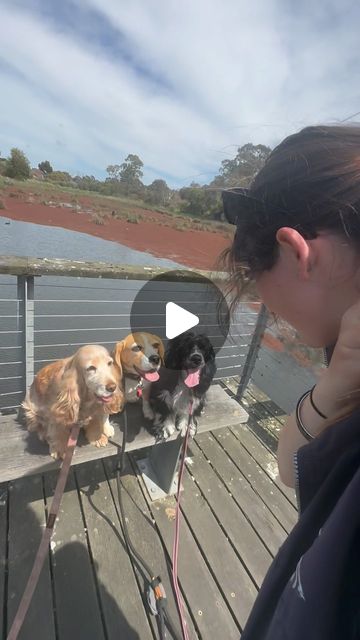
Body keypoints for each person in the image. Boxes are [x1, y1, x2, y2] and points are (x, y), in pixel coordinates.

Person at [220, 125, 360, 640]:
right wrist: (338, 380)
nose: (272, 315)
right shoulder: (347, 354)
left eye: (263, 296)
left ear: (297, 251)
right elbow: (291, 468)